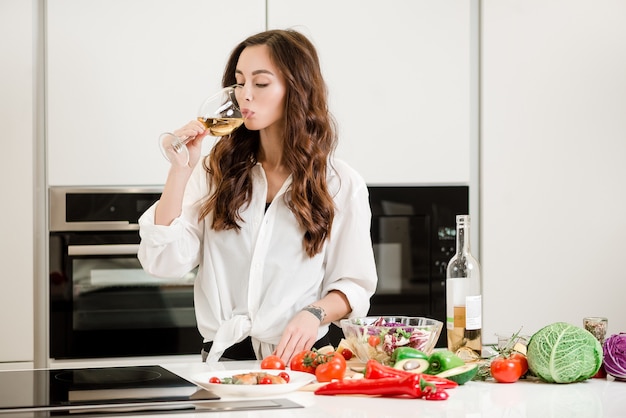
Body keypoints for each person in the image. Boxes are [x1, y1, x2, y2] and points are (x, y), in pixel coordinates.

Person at [138, 29, 378, 363]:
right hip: (222, 366)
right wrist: (180, 169)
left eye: (260, 83)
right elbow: (163, 262)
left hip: (300, 365)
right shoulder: (215, 170)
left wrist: (314, 313)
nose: (244, 95)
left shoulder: (340, 183)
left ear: (297, 89)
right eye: (239, 82)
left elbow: (354, 284)